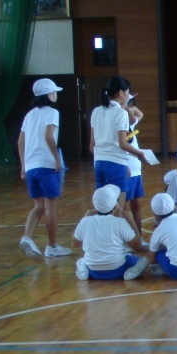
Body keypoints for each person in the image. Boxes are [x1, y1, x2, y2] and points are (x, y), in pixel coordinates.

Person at [17, 78, 70, 258]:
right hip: (47, 165)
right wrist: (57, 159)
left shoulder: (29, 115)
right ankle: (52, 247)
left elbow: (20, 141)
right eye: (54, 92)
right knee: (50, 207)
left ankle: (27, 237)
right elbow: (49, 136)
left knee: (38, 205)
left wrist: (24, 166)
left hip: (31, 166)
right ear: (49, 95)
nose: (56, 95)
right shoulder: (52, 112)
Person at [90, 76, 147, 209]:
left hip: (99, 164)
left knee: (103, 207)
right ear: (121, 93)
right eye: (127, 93)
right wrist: (139, 154)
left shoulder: (96, 111)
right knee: (118, 209)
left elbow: (92, 145)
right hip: (115, 164)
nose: (128, 96)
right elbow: (123, 143)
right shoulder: (120, 113)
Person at [72, 185, 148, 281]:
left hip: (93, 271)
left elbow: (76, 244)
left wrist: (85, 217)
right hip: (118, 270)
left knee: (81, 260)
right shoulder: (119, 223)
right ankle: (130, 273)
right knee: (143, 260)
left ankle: (84, 271)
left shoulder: (85, 222)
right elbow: (137, 245)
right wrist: (130, 219)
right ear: (116, 206)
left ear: (94, 206)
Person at [124, 94, 147, 246]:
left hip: (136, 170)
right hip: (126, 170)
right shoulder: (118, 124)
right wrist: (126, 108)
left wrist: (129, 106)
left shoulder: (131, 125)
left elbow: (140, 114)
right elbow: (134, 117)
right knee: (124, 208)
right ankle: (127, 239)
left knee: (136, 206)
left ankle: (139, 237)